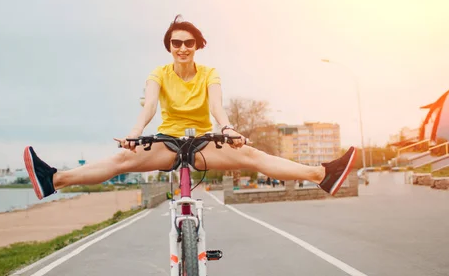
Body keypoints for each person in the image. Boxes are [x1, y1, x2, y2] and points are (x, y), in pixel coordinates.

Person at [24, 15, 356, 200]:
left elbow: (218, 108)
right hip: (168, 143)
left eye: (188, 43)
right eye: (176, 43)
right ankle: (53, 180)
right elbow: (149, 107)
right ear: (169, 47)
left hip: (203, 143)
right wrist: (134, 134)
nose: (182, 48)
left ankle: (321, 174)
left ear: (197, 46)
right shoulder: (159, 73)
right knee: (122, 158)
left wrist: (228, 130)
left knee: (253, 156)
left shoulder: (210, 73)